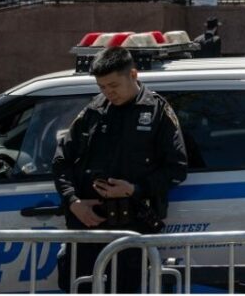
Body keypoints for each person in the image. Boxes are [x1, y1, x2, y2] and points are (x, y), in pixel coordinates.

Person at [52, 47, 188, 293]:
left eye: (113, 85)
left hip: (131, 230)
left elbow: (176, 168)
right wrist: (73, 201)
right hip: (87, 228)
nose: (107, 92)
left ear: (133, 74)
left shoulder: (156, 111)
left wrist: (135, 189)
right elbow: (61, 161)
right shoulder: (94, 110)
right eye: (102, 86)